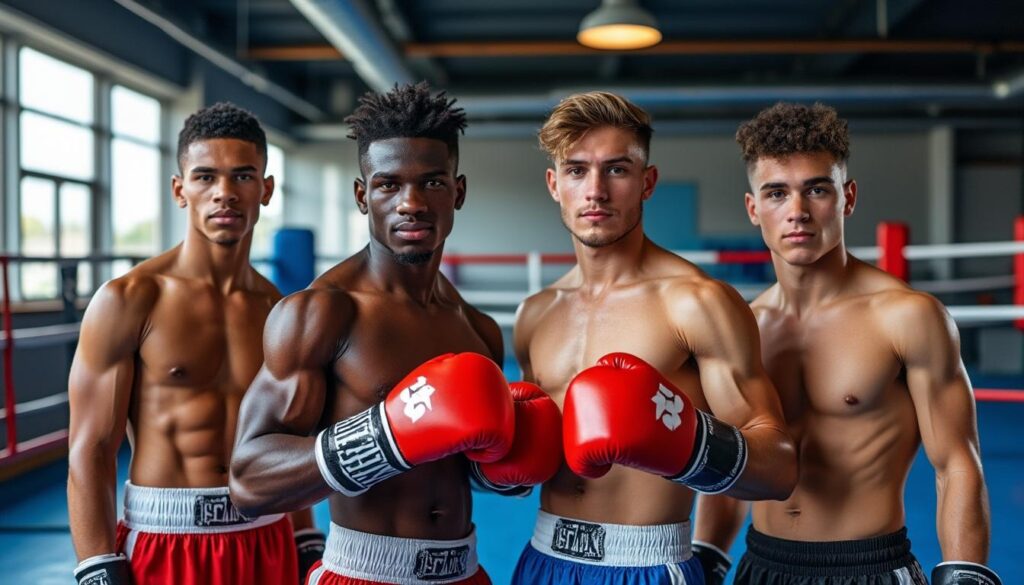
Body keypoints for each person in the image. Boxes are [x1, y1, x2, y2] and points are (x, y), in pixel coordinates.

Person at [228, 82, 561, 585]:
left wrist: (505, 471)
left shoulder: (478, 329)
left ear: (459, 192)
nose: (411, 203)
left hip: (464, 573)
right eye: (388, 185)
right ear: (363, 196)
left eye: (431, 183)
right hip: (364, 574)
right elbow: (248, 478)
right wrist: (383, 437)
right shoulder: (322, 313)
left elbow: (459, 466)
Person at [696, 101, 1001, 585]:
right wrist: (708, 554)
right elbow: (736, 458)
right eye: (776, 193)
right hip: (763, 567)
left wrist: (966, 574)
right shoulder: (741, 326)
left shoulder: (907, 317)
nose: (797, 212)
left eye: (816, 189)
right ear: (754, 209)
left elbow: (958, 464)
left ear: (848, 197)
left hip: (870, 568)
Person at [507, 91, 798, 585]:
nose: (595, 191)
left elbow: (778, 468)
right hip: (541, 559)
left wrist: (688, 446)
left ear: (647, 182)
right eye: (577, 171)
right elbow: (529, 462)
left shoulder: (696, 302)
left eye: (617, 170)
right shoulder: (535, 315)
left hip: (645, 565)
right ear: (555, 185)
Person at [68, 102, 322, 585]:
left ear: (265, 190)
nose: (224, 193)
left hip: (266, 535)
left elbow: (289, 440)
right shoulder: (129, 299)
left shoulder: (280, 312)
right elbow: (92, 448)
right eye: (205, 176)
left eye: (243, 176)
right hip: (167, 540)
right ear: (179, 190)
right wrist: (96, 566)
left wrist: (305, 539)